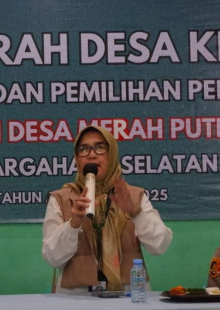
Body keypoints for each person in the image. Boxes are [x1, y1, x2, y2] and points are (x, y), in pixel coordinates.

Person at [42, 125, 173, 294]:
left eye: (100, 147)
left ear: (112, 155)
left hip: (129, 299)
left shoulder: (132, 196)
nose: (91, 154)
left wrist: (136, 213)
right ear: (76, 158)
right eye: (84, 149)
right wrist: (73, 224)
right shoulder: (61, 199)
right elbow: (52, 258)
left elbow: (160, 246)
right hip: (76, 301)